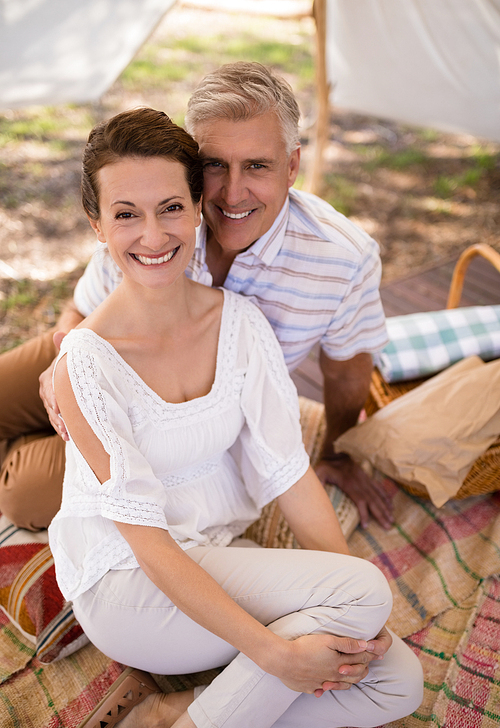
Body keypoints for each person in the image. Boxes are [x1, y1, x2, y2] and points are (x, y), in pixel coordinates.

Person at [49, 107, 422, 728]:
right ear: (97, 225)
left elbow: (287, 471)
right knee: (361, 596)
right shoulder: (84, 360)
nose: (152, 234)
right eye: (126, 214)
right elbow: (150, 545)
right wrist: (278, 654)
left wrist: (351, 620)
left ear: (199, 209)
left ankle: (170, 718)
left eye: (170, 207)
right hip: (130, 585)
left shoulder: (241, 323)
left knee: (396, 679)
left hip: (219, 556)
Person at [0, 61, 392, 534]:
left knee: (24, 490)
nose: (231, 192)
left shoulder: (343, 260)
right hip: (101, 349)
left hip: (177, 422)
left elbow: (349, 369)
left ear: (291, 166)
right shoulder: (163, 214)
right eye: (213, 166)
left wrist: (335, 452)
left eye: (257, 166)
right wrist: (64, 360)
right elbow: (83, 306)